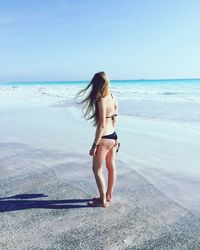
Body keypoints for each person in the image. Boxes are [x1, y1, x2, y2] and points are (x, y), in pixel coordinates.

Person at [77, 72, 120, 207]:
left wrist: (94, 145)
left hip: (105, 138)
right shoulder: (114, 97)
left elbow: (101, 125)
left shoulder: (101, 100)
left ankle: (103, 201)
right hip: (114, 136)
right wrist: (115, 137)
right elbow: (114, 118)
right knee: (111, 167)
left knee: (97, 169)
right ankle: (108, 195)